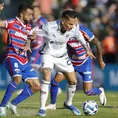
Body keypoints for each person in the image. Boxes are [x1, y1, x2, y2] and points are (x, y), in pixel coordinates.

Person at [32, 10, 95, 116]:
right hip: (48, 54)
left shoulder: (74, 29)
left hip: (62, 56)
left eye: (74, 24)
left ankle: (68, 103)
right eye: (70, 24)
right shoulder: (49, 26)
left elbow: (80, 37)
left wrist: (87, 50)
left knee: (73, 81)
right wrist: (30, 39)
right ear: (63, 21)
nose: (72, 26)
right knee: (47, 75)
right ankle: (42, 108)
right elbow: (33, 32)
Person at [46, 25, 107, 110]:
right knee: (55, 81)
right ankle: (53, 104)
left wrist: (100, 61)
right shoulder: (62, 32)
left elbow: (98, 43)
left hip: (85, 62)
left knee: (88, 91)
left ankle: (100, 91)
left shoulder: (83, 31)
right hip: (70, 61)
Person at [0, 4, 40, 117]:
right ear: (22, 14)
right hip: (12, 56)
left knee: (36, 86)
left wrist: (29, 42)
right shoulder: (11, 22)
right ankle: (2, 106)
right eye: (29, 14)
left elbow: (29, 37)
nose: (31, 17)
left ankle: (13, 104)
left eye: (32, 15)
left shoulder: (28, 27)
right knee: (17, 79)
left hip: (24, 60)